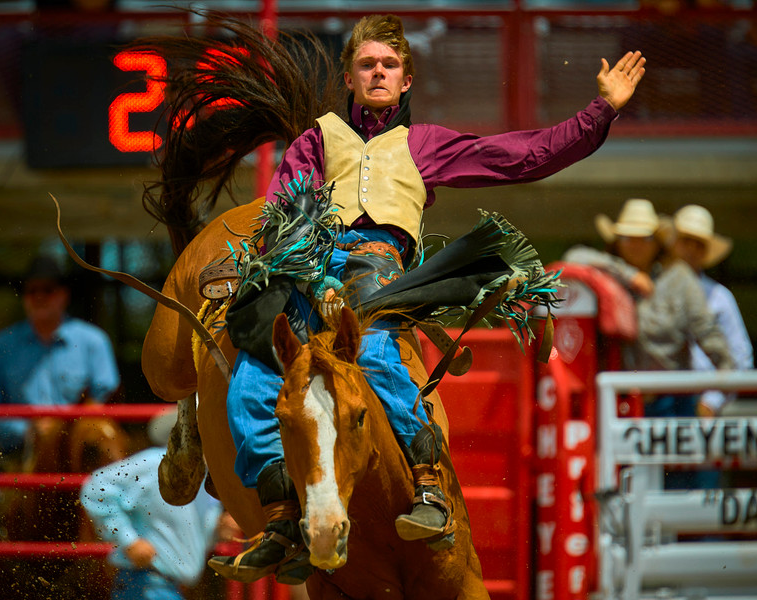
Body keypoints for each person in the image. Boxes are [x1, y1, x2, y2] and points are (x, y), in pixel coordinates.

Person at [136, 13, 646, 583]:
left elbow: (524, 154)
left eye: (388, 65)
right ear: (350, 78)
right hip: (309, 261)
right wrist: (277, 268)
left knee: (376, 351)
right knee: (255, 374)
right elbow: (284, 206)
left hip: (379, 263)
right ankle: (280, 512)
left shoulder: (424, 145)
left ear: (405, 80)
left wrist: (602, 111)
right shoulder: (317, 139)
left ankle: (426, 480)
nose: (378, 73)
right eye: (367, 65)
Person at [563, 198, 734, 488]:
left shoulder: (679, 279)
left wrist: (717, 394)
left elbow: (712, 338)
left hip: (673, 401)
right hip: (623, 405)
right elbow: (574, 256)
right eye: (628, 237)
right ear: (617, 242)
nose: (636, 245)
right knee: (629, 496)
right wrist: (629, 274)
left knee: (685, 490)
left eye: (644, 238)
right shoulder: (607, 276)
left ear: (657, 243)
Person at [0, 254, 120, 462]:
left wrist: (63, 430)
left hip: (80, 456)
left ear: (64, 294)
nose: (39, 297)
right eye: (31, 291)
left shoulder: (94, 341)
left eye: (48, 290)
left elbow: (105, 400)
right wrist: (28, 429)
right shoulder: (0, 346)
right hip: (21, 456)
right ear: (24, 297)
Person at [80, 409, 223, 600]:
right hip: (147, 585)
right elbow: (97, 487)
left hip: (157, 586)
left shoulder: (204, 478)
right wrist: (129, 540)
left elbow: (188, 535)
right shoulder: (156, 462)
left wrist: (218, 531)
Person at [671, 204, 753, 416]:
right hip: (660, 400)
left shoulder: (719, 297)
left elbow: (741, 356)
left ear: (705, 251)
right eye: (685, 241)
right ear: (674, 244)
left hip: (704, 402)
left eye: (698, 244)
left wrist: (712, 401)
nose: (691, 250)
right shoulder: (655, 290)